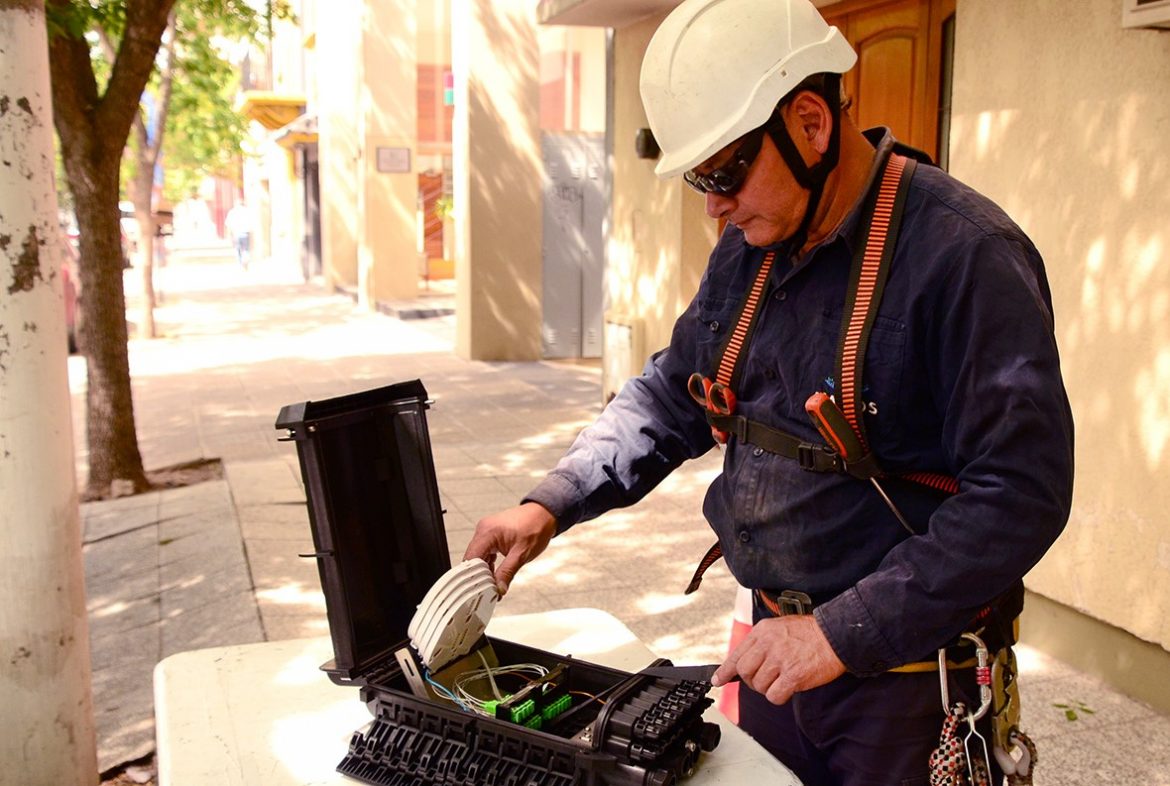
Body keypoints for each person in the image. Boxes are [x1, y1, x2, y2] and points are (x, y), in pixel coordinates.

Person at [464, 0, 1074, 783]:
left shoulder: (965, 256)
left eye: (724, 172)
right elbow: (670, 396)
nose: (713, 204)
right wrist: (552, 501)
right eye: (699, 178)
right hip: (774, 664)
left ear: (811, 124)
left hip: (907, 692)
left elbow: (1020, 494)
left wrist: (837, 635)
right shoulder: (749, 249)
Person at [224, 200, 251, 269]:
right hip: (245, 233)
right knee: (246, 249)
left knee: (237, 249)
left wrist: (229, 235)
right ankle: (245, 260)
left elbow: (228, 224)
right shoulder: (247, 211)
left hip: (236, 233)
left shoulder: (232, 212)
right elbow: (251, 224)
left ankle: (241, 263)